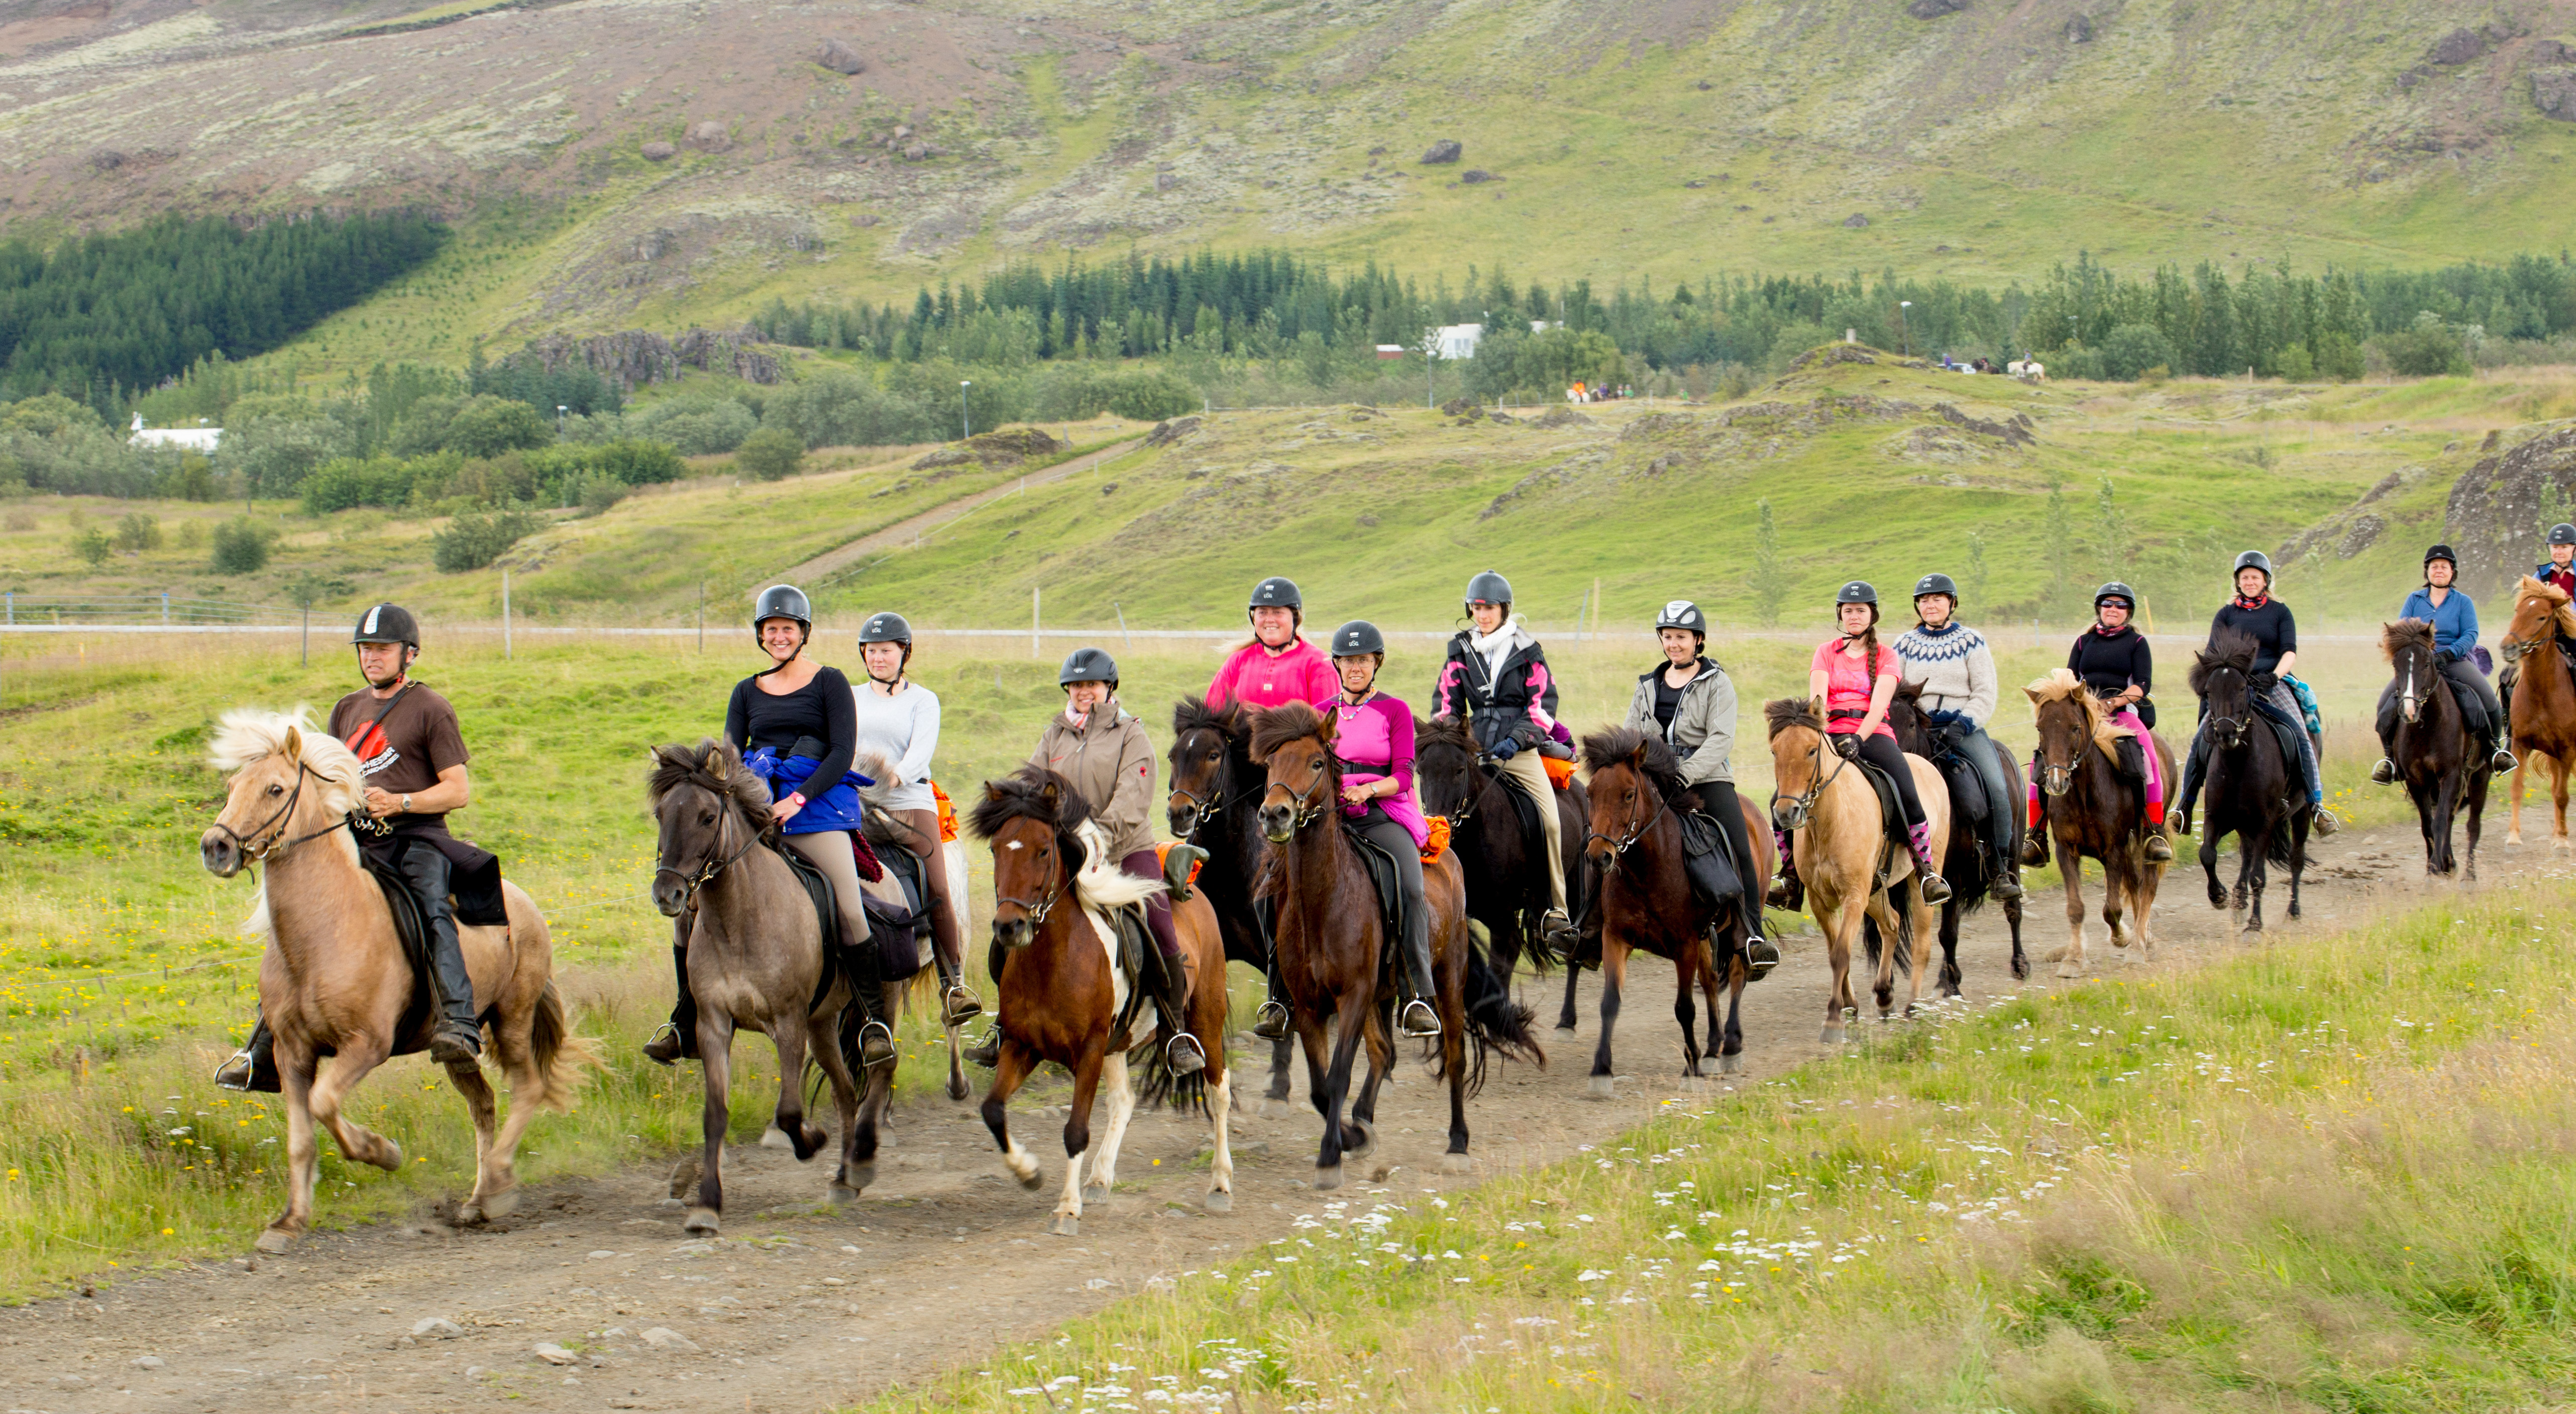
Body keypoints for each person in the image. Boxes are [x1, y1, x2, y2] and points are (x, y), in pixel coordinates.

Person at [216, 603, 504, 1091]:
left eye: (382, 649)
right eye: (365, 649)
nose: (372, 657)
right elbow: (327, 781)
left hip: (419, 839)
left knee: (432, 907)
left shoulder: (432, 709)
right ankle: (262, 1051)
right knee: (300, 922)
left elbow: (458, 789)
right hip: (359, 839)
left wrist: (401, 801)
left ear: (408, 654)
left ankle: (458, 1023)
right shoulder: (346, 709)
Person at [645, 585, 883, 1067]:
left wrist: (797, 799)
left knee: (849, 905)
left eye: (787, 628)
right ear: (761, 635)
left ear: (803, 633)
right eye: (770, 629)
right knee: (692, 908)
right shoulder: (746, 690)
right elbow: (730, 760)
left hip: (815, 808)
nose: (778, 636)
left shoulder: (830, 682)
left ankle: (873, 1020)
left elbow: (841, 752)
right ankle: (683, 1019)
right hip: (758, 813)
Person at [1011, 647, 1205, 1075]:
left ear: (1109, 688)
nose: (1084, 692)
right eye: (1077, 685)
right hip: (1066, 852)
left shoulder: (1130, 734)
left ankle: (1175, 1033)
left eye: (1092, 685)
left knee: (1159, 925)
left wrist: (1096, 835)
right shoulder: (1055, 735)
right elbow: (1031, 784)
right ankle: (1007, 1024)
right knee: (1015, 917)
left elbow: (1132, 798)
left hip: (1125, 847)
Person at [1619, 600, 1779, 977]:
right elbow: (1630, 732)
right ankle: (1589, 926)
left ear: (1698, 640)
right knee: (1608, 833)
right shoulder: (1646, 685)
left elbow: (1720, 739)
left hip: (1707, 777)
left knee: (1740, 844)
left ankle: (1751, 934)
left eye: (1681, 637)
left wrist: (1686, 773)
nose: (1674, 644)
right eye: (1668, 637)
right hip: (1656, 777)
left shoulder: (1717, 683)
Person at [1777, 581, 1952, 905]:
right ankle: (1789, 875)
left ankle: (1926, 869)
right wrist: (1828, 736)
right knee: (1782, 796)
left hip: (1873, 734)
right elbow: (1818, 701)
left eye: (1860, 610)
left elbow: (1880, 705)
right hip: (1829, 733)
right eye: (1848, 611)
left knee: (1908, 790)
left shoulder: (1886, 656)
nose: (1854, 616)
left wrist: (1859, 738)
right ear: (1840, 616)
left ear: (1872, 615)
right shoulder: (1825, 652)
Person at [1308, 620, 1442, 1038]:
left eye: (1363, 660)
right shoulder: (1319, 713)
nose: (1355, 668)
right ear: (1337, 664)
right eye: (1348, 661)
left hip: (1381, 813)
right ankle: (1279, 993)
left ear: (1376, 663)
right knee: (1275, 880)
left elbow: (1403, 775)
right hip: (1329, 817)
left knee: (1413, 887)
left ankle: (1417, 993)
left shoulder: (1395, 709)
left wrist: (1367, 791)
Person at [1431, 570, 1575, 949]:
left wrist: (1518, 739)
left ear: (1504, 609)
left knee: (1551, 821)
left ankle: (1554, 909)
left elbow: (1543, 706)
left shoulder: (1528, 650)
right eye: (1476, 607)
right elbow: (1446, 704)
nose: (1482, 614)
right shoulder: (1459, 650)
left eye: (1489, 607)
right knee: (1435, 811)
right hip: (1474, 751)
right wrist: (1449, 738)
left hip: (1519, 752)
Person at [849, 611, 979, 1027]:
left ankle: (953, 983)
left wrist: (895, 774)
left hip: (907, 798)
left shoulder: (923, 700)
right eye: (871, 651)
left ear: (904, 653)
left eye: (886, 651)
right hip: (856, 800)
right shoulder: (851, 697)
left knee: (936, 880)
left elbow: (921, 751)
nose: (878, 658)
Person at [2171, 552, 2339, 837]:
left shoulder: (2280, 612)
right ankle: (2184, 808)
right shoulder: (2226, 615)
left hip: (2273, 682)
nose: (2250, 582)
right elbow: (2212, 656)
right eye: (2245, 577)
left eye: (2255, 577)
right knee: (2201, 736)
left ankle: (2316, 806)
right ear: (2238, 582)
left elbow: (2289, 652)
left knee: (2298, 732)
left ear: (2265, 581)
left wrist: (2275, 676)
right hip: (2233, 686)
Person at [1891, 573, 2027, 900]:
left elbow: (1985, 692)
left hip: (1962, 729)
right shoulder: (1903, 644)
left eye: (1938, 598)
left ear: (1951, 603)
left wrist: (1964, 724)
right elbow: (1894, 690)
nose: (1931, 604)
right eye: (1925, 599)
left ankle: (2000, 866)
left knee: (1996, 784)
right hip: (1917, 729)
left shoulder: (1971, 641)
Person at [2041, 582, 2172, 863]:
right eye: (2108, 604)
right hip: (2085, 716)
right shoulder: (2083, 642)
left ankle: (2154, 830)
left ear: (2129, 612)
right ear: (2099, 608)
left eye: (2121, 605)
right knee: (2043, 759)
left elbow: (2142, 686)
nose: (2114, 609)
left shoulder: (2137, 643)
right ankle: (2036, 835)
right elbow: (2069, 679)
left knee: (2148, 759)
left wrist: (2113, 703)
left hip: (2122, 713)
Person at [2373, 547, 2518, 781]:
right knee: (2384, 704)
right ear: (2427, 572)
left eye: (2444, 567)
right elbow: (2401, 633)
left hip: (2453, 661)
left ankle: (2494, 751)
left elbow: (2471, 634)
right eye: (2434, 567)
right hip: (2420, 664)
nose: (2439, 571)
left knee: (2489, 700)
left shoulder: (2463, 602)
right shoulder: (2414, 600)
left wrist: (2448, 654)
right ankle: (2391, 760)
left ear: (2453, 572)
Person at [1205, 576, 1338, 714]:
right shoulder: (1237, 661)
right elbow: (1211, 715)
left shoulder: (1318, 664)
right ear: (1254, 618)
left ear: (1295, 618)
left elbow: (1327, 726)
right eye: (1262, 612)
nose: (1269, 620)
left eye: (1277, 612)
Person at [2498, 521, 2576, 752]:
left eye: (2564, 547)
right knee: (2507, 677)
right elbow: (2526, 606)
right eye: (2555, 547)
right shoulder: (2539, 575)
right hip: (2541, 638)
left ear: (2574, 549)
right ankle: (2511, 737)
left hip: (2573, 636)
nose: (2559, 551)